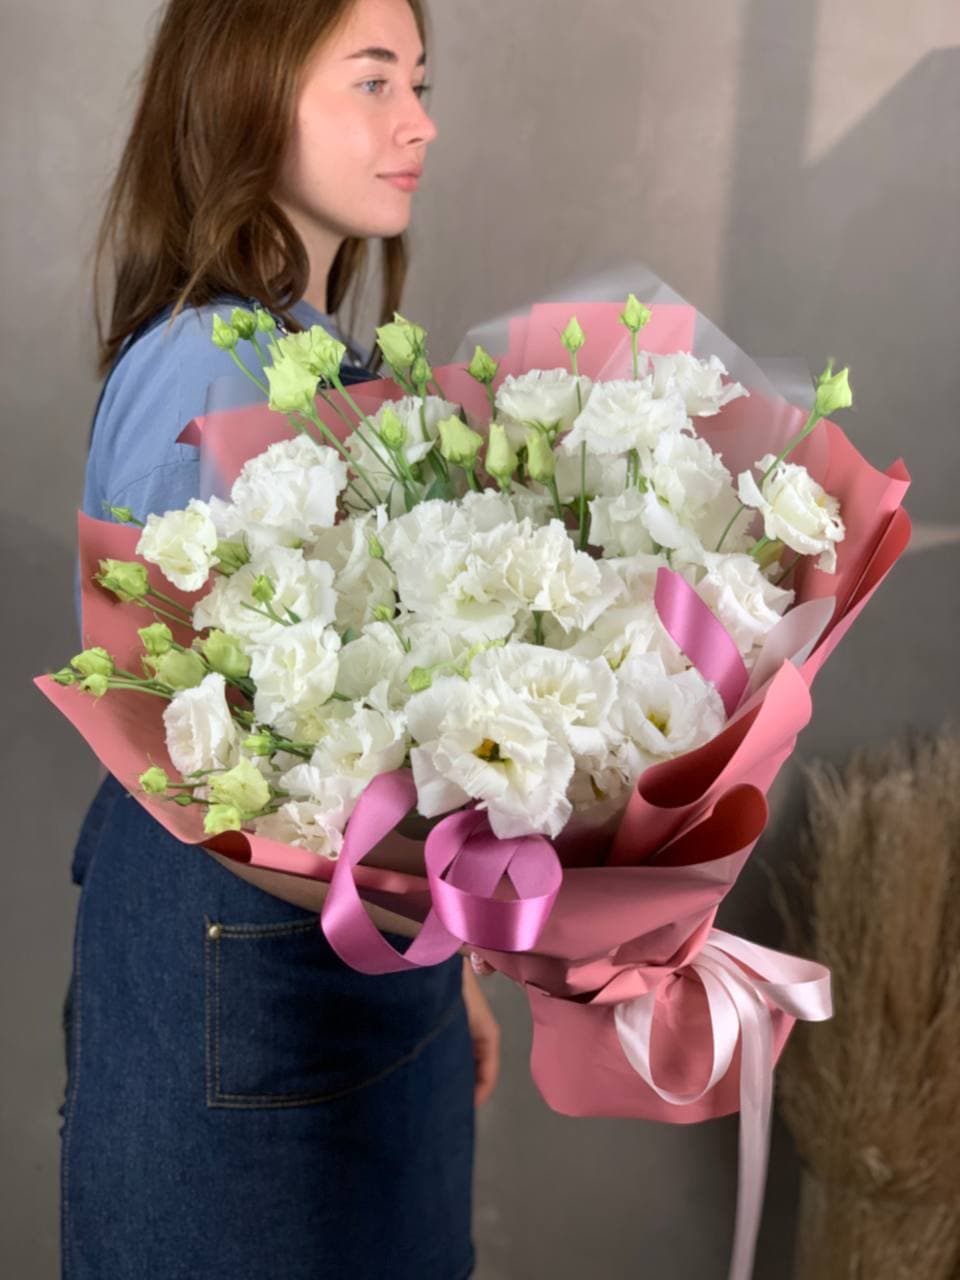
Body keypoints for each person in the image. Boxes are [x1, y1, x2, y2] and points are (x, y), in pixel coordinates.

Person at [60, 1, 499, 1276]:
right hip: (246, 991)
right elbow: (195, 755)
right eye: (373, 81)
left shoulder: (325, 358)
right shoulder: (205, 365)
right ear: (249, 92)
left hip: (357, 979)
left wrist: (450, 956)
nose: (419, 123)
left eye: (420, 82)